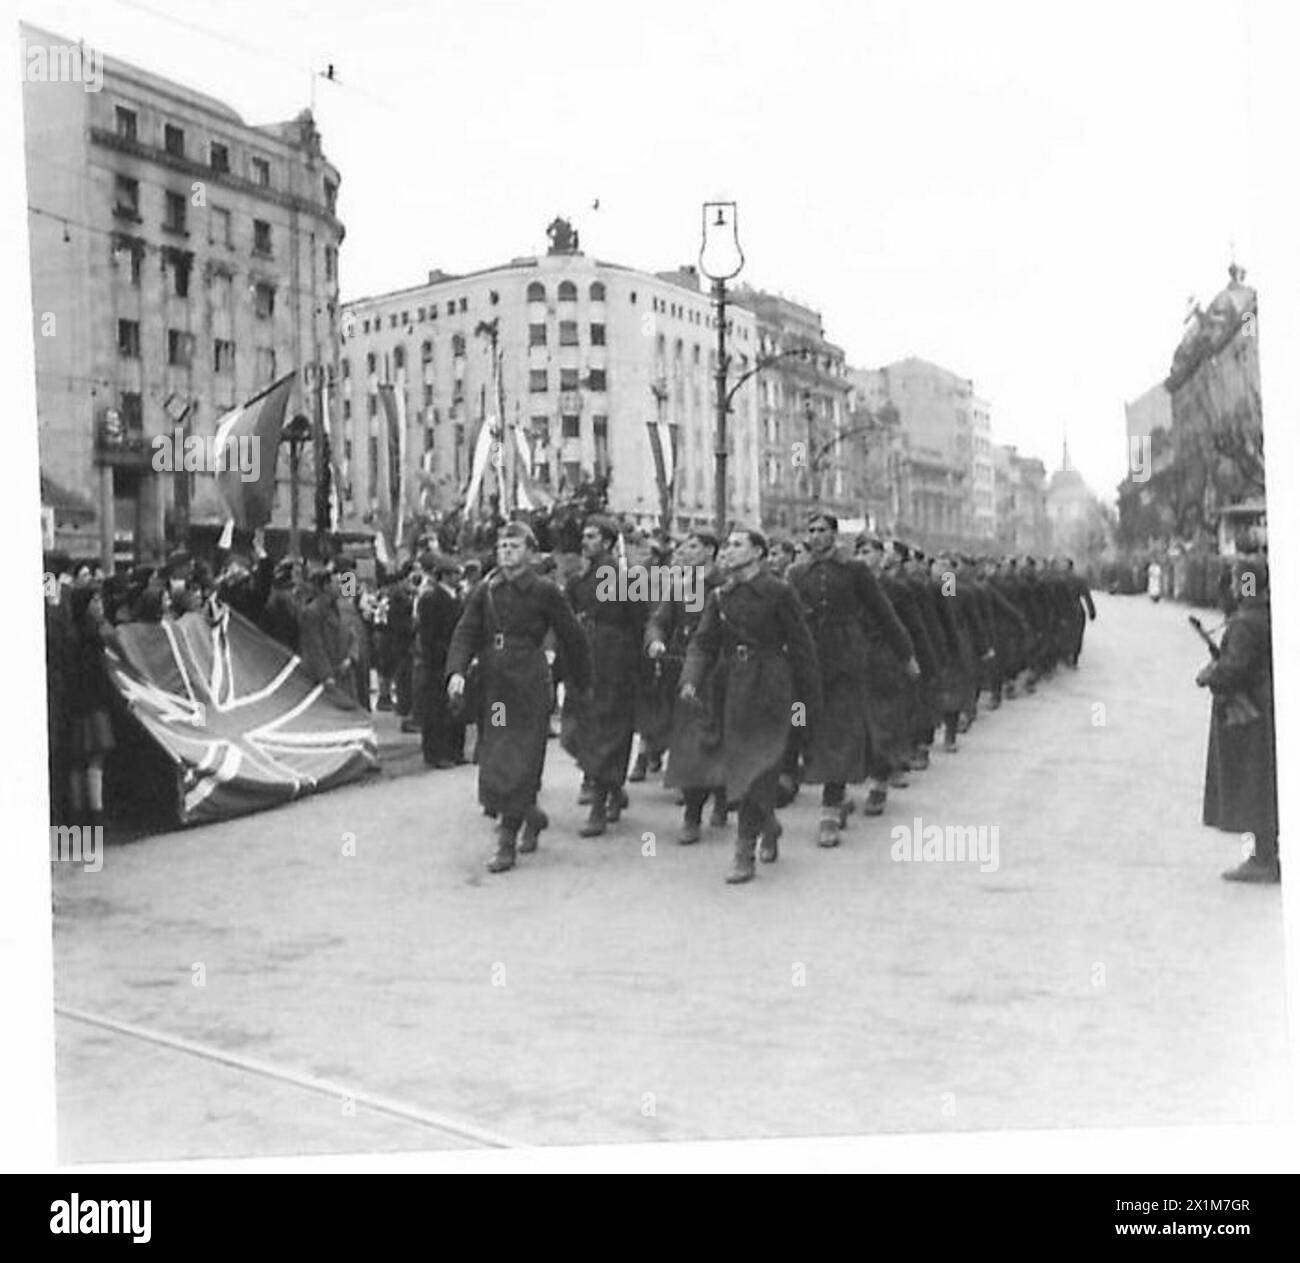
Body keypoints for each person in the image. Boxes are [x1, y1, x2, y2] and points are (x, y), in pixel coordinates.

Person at [447, 522, 592, 874]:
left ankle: (506, 841)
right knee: (497, 752)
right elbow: (466, 632)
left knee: (523, 756)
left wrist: (583, 681)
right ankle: (529, 815)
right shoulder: (487, 590)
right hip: (496, 689)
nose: (506, 551)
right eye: (502, 545)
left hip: (528, 684)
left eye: (514, 545)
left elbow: (572, 636)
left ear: (530, 551)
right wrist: (456, 672)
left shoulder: (545, 592)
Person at [681, 528, 821, 884]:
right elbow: (703, 643)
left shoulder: (779, 591)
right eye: (727, 544)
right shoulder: (720, 595)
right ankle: (768, 824)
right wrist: (691, 679)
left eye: (737, 544)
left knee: (762, 765)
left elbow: (801, 645)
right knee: (743, 765)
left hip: (772, 684)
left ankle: (743, 851)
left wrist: (809, 700)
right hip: (732, 688)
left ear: (758, 552)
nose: (729, 550)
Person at [787, 512, 918, 846]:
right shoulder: (796, 573)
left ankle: (829, 810)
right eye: (811, 530)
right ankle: (836, 789)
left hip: (847, 659)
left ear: (834, 535)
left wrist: (907, 655)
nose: (815, 536)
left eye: (822, 531)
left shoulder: (854, 571)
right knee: (808, 726)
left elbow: (883, 613)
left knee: (841, 730)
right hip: (810, 660)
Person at [561, 516, 646, 837]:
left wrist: (637, 665)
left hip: (615, 661)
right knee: (577, 728)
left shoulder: (627, 578)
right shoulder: (577, 579)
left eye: (593, 536)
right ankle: (610, 786)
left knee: (609, 729)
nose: (585, 541)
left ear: (609, 543)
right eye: (584, 535)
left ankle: (600, 802)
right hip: (583, 657)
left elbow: (638, 624)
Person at [1197, 555, 1279, 883]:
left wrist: (1211, 675)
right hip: (1267, 708)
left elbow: (1237, 668)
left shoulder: (1245, 622)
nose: (1232, 586)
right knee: (1265, 783)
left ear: (1247, 583)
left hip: (1251, 715)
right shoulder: (1267, 614)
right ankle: (1267, 855)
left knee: (1253, 785)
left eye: (1237, 580)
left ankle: (1263, 860)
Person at [645, 530, 728, 844]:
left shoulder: (726, 586)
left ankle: (721, 795)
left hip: (722, 673)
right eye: (684, 546)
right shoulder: (681, 587)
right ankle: (692, 813)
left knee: (719, 738)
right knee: (690, 741)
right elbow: (659, 620)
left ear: (709, 550)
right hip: (687, 673)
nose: (686, 552)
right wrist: (655, 641)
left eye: (693, 546)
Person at [412, 553, 463, 768]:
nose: (458, 578)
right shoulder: (431, 598)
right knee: (436, 708)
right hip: (436, 661)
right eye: (454, 574)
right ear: (444, 576)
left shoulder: (457, 597)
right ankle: (435, 753)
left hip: (455, 657)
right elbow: (429, 635)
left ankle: (454, 750)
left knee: (455, 706)